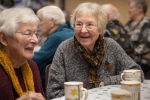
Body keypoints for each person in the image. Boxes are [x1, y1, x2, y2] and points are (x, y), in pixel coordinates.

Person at [47, 2, 144, 99]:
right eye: (79, 24)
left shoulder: (111, 46)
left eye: (90, 24)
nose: (83, 30)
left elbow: (137, 74)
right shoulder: (64, 49)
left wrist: (103, 83)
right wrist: (85, 93)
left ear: (100, 29)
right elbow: (53, 92)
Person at [0, 7, 45, 100]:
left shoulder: (32, 66)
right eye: (27, 33)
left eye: (36, 34)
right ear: (4, 38)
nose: (35, 40)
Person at [32, 5, 74, 93]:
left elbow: (35, 61)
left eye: (39, 20)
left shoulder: (58, 37)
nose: (37, 25)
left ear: (52, 21)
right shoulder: (69, 32)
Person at [125, 0, 150, 79]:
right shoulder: (128, 23)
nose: (128, 10)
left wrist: (130, 54)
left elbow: (146, 45)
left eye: (131, 8)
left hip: (143, 62)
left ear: (140, 9)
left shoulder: (146, 22)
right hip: (129, 59)